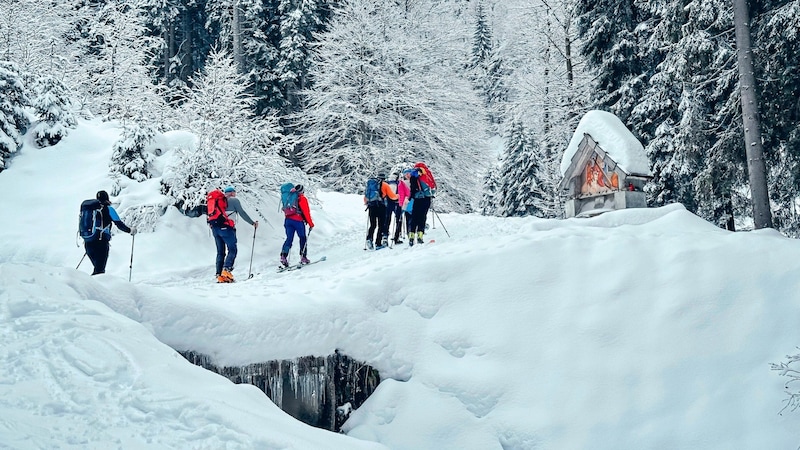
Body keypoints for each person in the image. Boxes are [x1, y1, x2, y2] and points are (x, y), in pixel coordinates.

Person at [82, 190, 135, 275]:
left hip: (88, 242)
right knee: (99, 271)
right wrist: (130, 230)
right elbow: (119, 224)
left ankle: (91, 286)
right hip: (101, 243)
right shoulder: (109, 209)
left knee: (97, 269)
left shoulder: (91, 210)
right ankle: (90, 287)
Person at [213, 186, 258, 283]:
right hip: (227, 228)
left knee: (220, 252)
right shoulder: (234, 200)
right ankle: (226, 271)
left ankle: (219, 274)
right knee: (232, 250)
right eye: (234, 192)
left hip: (215, 229)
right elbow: (242, 213)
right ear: (232, 193)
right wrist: (252, 223)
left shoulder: (216, 201)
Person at [281, 184, 314, 267]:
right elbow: (306, 213)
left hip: (288, 220)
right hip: (298, 221)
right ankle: (303, 257)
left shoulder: (289, 197)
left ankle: (283, 256)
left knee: (289, 239)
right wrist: (311, 224)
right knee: (302, 238)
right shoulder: (302, 199)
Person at [407, 168, 432, 246]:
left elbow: (412, 190)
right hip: (424, 200)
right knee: (422, 218)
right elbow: (428, 191)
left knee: (414, 218)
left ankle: (411, 237)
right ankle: (420, 237)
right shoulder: (422, 179)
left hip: (415, 200)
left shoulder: (412, 178)